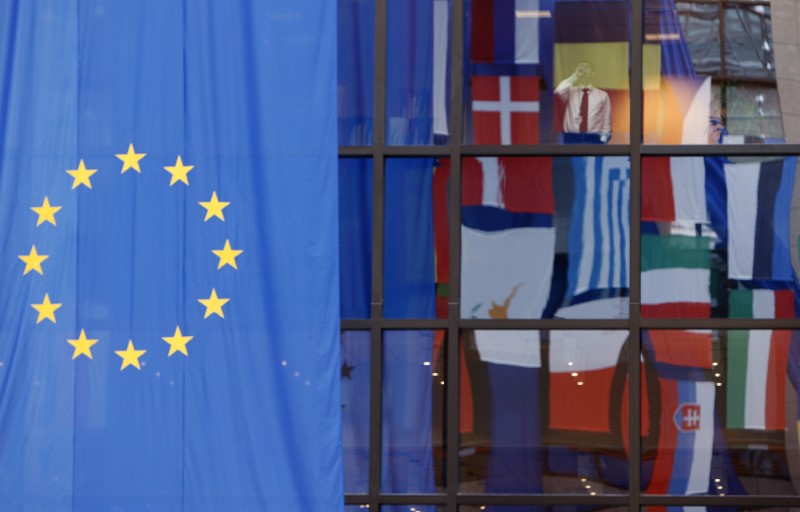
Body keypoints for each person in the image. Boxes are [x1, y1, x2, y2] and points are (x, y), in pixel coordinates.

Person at [554, 62, 612, 143]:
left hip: (594, 140)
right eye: (581, 67)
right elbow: (558, 91)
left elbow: (606, 123)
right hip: (571, 140)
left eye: (587, 67)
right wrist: (575, 75)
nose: (583, 70)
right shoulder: (570, 91)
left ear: (593, 74)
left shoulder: (602, 95)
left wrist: (601, 143)